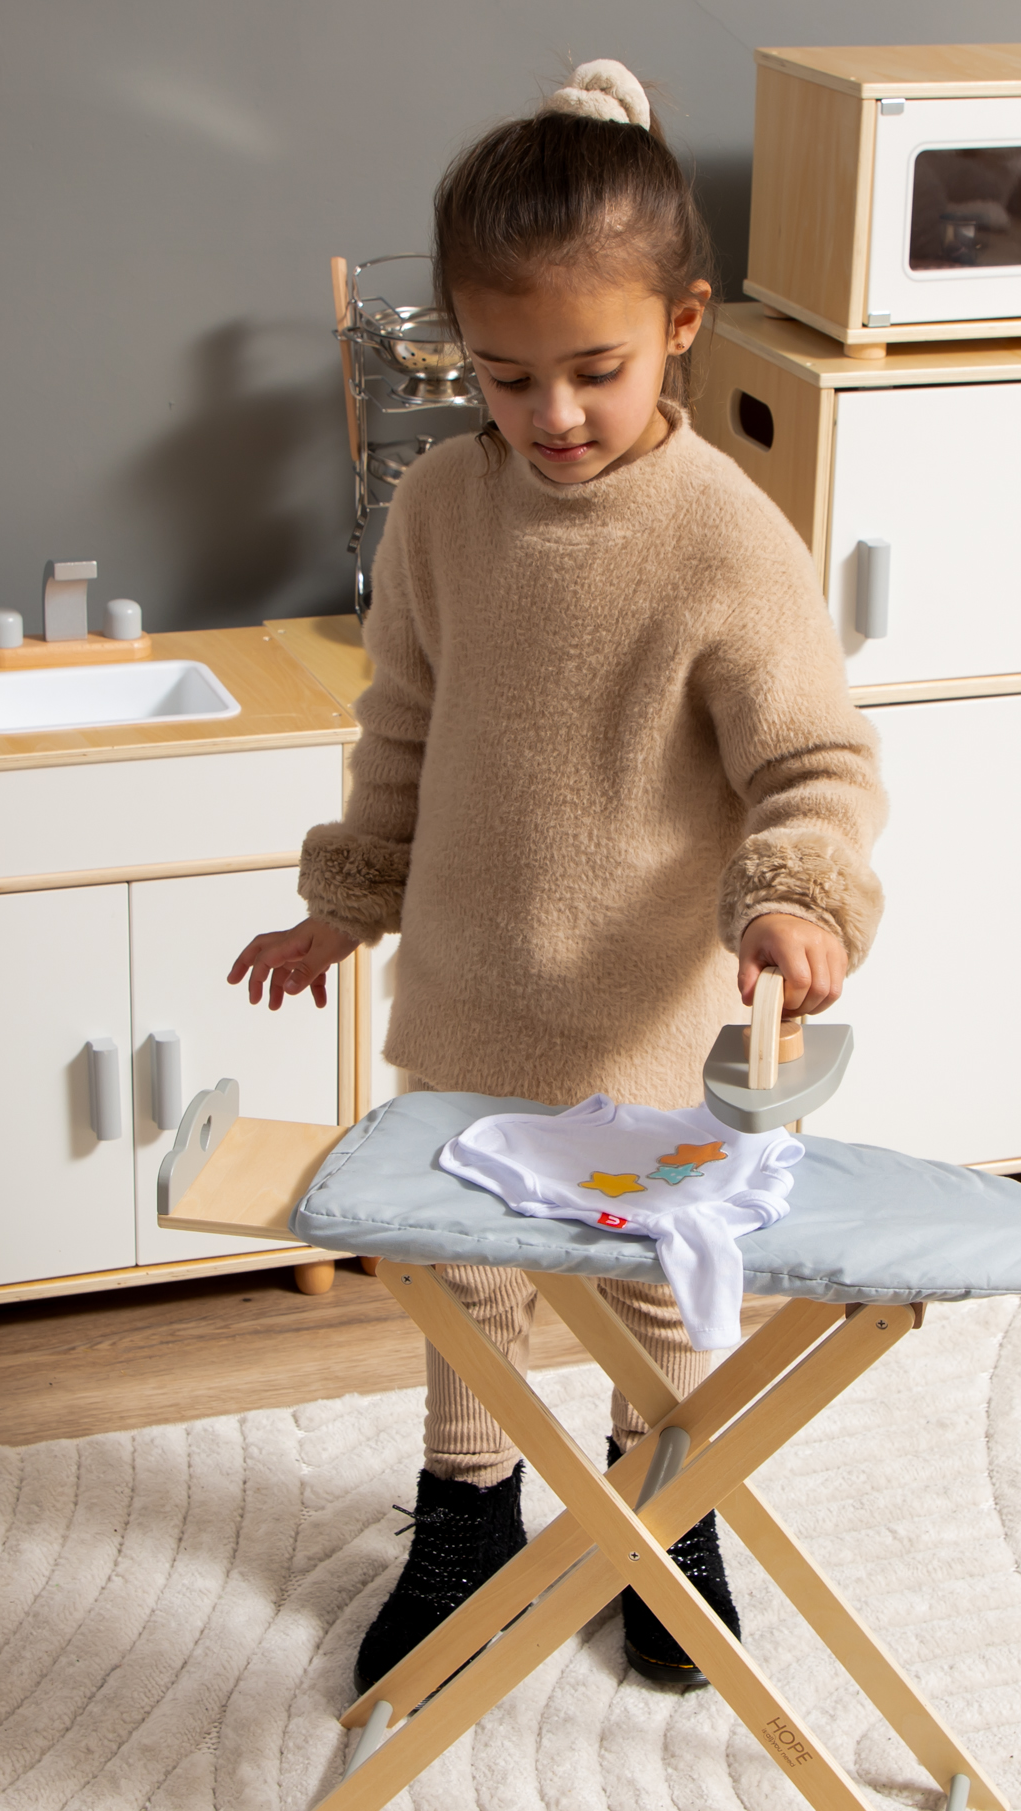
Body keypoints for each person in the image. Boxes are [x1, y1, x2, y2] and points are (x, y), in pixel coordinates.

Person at [230, 59, 885, 1693]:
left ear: (683, 322)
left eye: (590, 370)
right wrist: (346, 896)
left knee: (659, 1282)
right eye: (505, 377)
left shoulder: (729, 537)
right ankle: (467, 1513)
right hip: (467, 984)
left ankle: (670, 1506)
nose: (551, 417)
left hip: (646, 1011)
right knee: (466, 1282)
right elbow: (403, 725)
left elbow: (814, 762)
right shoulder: (443, 509)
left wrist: (798, 895)